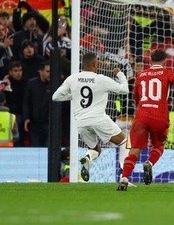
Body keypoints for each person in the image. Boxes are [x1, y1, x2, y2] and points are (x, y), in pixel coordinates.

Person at [118, 49, 174, 190]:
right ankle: (150, 163)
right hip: (159, 116)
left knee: (134, 149)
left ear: (150, 61)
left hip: (141, 115)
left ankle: (124, 177)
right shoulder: (167, 72)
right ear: (165, 61)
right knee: (158, 146)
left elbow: (136, 96)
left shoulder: (141, 75)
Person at [51, 53, 129, 181]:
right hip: (99, 119)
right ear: (95, 64)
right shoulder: (102, 79)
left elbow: (55, 97)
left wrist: (73, 96)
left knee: (95, 150)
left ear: (82, 64)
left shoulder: (72, 78)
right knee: (124, 142)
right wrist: (120, 74)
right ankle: (124, 177)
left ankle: (87, 157)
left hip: (81, 122)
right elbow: (124, 90)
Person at [23, 61, 51, 147]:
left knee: (48, 149)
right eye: (48, 71)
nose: (50, 74)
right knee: (35, 147)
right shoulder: (31, 84)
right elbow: (26, 102)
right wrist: (26, 117)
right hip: (35, 123)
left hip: (49, 123)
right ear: (40, 71)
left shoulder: (54, 84)